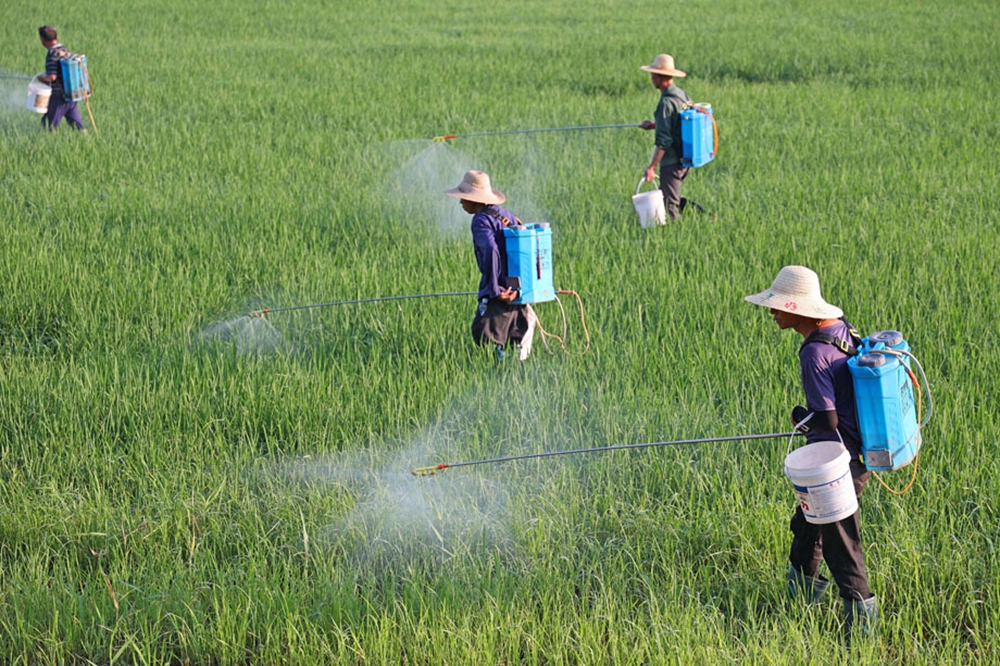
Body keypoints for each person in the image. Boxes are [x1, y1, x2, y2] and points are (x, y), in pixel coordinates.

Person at [745, 265, 879, 645]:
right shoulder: (840, 329)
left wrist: (797, 417)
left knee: (840, 540)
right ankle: (798, 603)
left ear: (797, 309)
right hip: (855, 451)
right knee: (807, 524)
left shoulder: (814, 352)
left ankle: (862, 629)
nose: (771, 311)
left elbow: (825, 418)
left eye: (776, 305)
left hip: (838, 461)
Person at [445, 170, 535, 362]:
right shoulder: (508, 215)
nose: (461, 202)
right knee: (513, 337)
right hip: (516, 287)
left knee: (484, 336)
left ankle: (499, 373)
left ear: (476, 200)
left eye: (464, 197)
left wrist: (495, 290)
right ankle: (510, 374)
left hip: (501, 288)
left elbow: (491, 250)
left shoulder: (480, 221)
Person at [639, 54, 693, 220]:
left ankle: (676, 237)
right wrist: (656, 124)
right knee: (673, 195)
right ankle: (701, 217)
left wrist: (652, 168)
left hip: (672, 161)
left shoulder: (666, 103)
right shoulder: (682, 95)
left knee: (669, 205)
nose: (651, 78)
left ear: (660, 77)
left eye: (653, 74)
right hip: (685, 158)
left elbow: (664, 141)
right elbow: (676, 122)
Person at [37, 26, 86, 132]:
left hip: (59, 98)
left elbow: (52, 77)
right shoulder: (64, 49)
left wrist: (40, 78)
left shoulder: (52, 53)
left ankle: (48, 146)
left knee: (50, 129)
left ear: (42, 39)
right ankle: (90, 142)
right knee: (79, 128)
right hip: (71, 95)